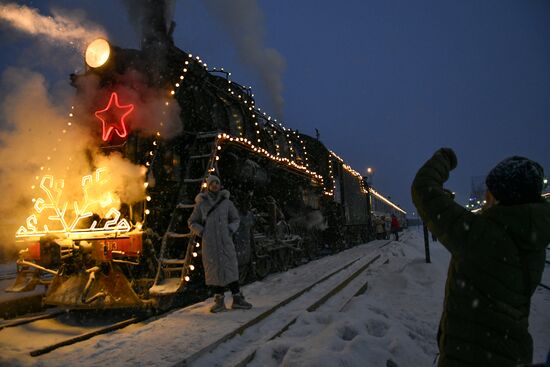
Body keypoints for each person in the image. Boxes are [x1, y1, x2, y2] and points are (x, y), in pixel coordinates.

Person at [411, 148, 550, 367]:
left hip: (470, 355)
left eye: (489, 193)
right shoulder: (532, 238)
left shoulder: (481, 236)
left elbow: (423, 189)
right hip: (512, 352)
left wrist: (444, 158)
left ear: (498, 197)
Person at [188, 175, 252, 313]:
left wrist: (230, 229)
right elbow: (192, 221)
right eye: (212, 183)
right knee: (214, 270)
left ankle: (237, 298)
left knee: (230, 268)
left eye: (217, 183)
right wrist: (202, 231)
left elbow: (235, 218)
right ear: (208, 186)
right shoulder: (202, 203)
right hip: (210, 242)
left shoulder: (227, 203)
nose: (215, 185)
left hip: (225, 241)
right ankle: (219, 300)